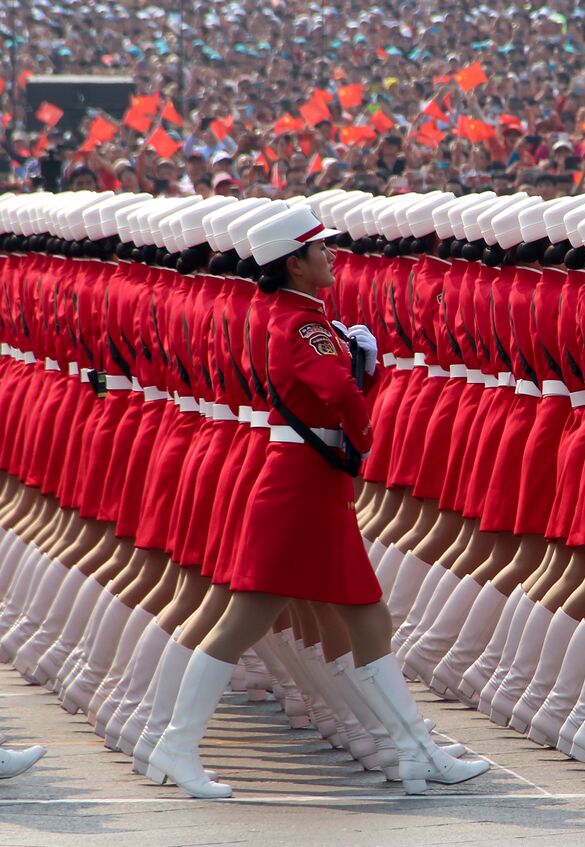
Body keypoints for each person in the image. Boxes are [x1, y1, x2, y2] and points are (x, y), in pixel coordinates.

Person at [144, 204, 490, 799]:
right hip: (301, 482)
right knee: (247, 620)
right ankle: (173, 745)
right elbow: (334, 392)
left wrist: (361, 374)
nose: (330, 257)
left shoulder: (298, 316)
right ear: (294, 264)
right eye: (320, 250)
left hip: (304, 478)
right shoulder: (302, 324)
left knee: (364, 613)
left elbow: (332, 384)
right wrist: (365, 430)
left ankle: (416, 751)